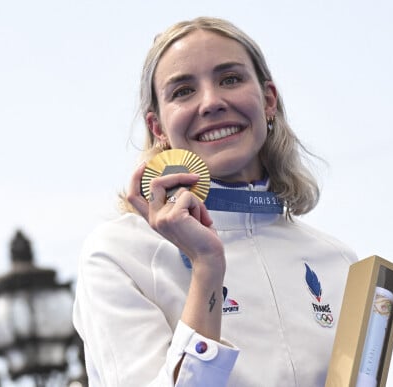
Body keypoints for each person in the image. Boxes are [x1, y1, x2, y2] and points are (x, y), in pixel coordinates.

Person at [73, 16, 357, 387]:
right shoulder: (120, 253)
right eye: (183, 91)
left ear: (268, 100)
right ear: (158, 128)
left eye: (230, 79)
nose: (211, 102)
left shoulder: (338, 262)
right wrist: (207, 265)